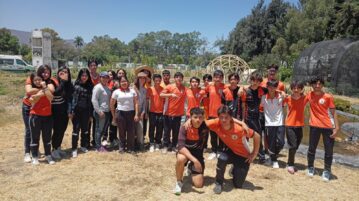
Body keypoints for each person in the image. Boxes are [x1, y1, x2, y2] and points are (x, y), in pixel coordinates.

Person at [206, 105, 260, 194]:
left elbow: (257, 136)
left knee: (238, 185)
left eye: (226, 117)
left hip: (243, 155)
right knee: (222, 158)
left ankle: (234, 169)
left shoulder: (239, 129)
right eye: (221, 117)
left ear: (231, 117)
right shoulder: (216, 123)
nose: (223, 120)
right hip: (230, 152)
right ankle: (218, 183)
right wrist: (188, 121)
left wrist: (254, 154)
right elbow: (200, 123)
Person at [306, 76, 339, 181]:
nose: (317, 86)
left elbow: (333, 113)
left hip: (328, 126)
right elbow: (297, 97)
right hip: (314, 126)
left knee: (328, 151)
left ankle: (327, 170)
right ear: (312, 85)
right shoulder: (309, 95)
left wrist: (336, 128)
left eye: (320, 84)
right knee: (312, 149)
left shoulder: (328, 97)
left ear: (322, 85)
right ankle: (310, 167)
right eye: (315, 83)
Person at [174, 107, 209, 195]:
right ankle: (179, 182)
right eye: (195, 117)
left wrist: (242, 123)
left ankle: (190, 167)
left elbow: (223, 119)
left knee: (199, 185)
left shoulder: (206, 125)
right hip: (185, 152)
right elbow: (181, 147)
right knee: (180, 159)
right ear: (190, 117)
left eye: (200, 117)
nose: (198, 120)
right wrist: (195, 160)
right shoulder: (184, 127)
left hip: (198, 154)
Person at [28, 70, 56, 165]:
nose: (37, 82)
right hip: (35, 116)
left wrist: (44, 88)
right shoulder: (32, 90)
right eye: (35, 80)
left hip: (48, 116)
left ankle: (48, 155)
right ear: (33, 82)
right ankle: (35, 156)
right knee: (35, 137)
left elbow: (51, 98)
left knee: (47, 138)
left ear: (42, 80)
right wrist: (39, 94)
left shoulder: (46, 88)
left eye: (39, 79)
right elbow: (32, 101)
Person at [240, 72, 268, 163]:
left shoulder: (262, 90)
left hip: (257, 117)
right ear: (250, 80)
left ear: (260, 82)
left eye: (257, 81)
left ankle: (261, 156)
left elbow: (272, 90)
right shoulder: (246, 91)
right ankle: (245, 155)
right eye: (253, 80)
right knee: (245, 137)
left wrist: (282, 92)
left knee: (258, 136)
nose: (255, 82)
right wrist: (243, 119)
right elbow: (243, 106)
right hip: (247, 117)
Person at [204, 70, 230, 160]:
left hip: (222, 115)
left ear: (222, 78)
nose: (217, 79)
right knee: (213, 134)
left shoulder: (226, 87)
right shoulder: (209, 87)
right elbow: (203, 91)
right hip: (211, 114)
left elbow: (236, 88)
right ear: (213, 78)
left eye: (219, 77)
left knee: (222, 134)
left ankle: (221, 151)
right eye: (216, 77)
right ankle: (214, 151)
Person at [284, 80, 308, 174]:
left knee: (297, 144)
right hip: (290, 124)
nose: (296, 90)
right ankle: (290, 164)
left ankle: (290, 161)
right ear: (291, 89)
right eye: (294, 88)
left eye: (298, 88)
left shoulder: (305, 98)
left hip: (300, 125)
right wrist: (282, 93)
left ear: (302, 89)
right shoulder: (288, 98)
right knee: (293, 145)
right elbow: (278, 95)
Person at [110, 76, 139, 153]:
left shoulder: (132, 91)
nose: (124, 83)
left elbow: (136, 103)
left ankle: (130, 148)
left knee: (131, 132)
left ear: (128, 82)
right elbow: (112, 104)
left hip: (131, 113)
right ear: (119, 83)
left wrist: (136, 114)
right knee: (121, 131)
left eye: (125, 81)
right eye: (122, 82)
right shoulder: (116, 92)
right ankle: (121, 147)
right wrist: (113, 116)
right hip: (120, 113)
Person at [160, 72, 187, 153]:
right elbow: (161, 94)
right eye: (177, 77)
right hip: (168, 114)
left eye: (180, 77)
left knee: (176, 132)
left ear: (182, 79)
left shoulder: (184, 88)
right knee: (166, 131)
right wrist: (171, 94)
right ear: (174, 78)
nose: (178, 78)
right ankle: (165, 146)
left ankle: (174, 145)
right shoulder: (170, 86)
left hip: (178, 115)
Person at [261, 79, 285, 169]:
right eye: (270, 87)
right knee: (271, 143)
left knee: (281, 142)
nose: (272, 89)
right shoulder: (263, 98)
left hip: (280, 123)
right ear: (267, 87)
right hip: (269, 124)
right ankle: (274, 160)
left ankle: (272, 155)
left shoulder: (280, 97)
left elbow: (291, 95)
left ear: (276, 87)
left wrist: (281, 91)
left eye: (274, 86)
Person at [51, 66, 73, 160]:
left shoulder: (69, 84)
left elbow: (70, 98)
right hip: (55, 111)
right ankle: (54, 149)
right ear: (59, 73)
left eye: (66, 72)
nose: (64, 73)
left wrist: (69, 110)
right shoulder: (54, 82)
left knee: (62, 130)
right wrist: (63, 81)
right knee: (57, 130)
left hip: (64, 111)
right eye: (62, 72)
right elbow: (56, 93)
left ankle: (58, 147)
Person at [70, 68, 93, 157]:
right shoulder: (75, 86)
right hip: (76, 111)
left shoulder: (90, 86)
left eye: (86, 76)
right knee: (76, 130)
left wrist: (91, 114)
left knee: (85, 130)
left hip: (86, 111)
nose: (84, 77)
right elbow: (72, 100)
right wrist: (71, 111)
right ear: (80, 76)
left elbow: (91, 102)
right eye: (82, 75)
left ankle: (83, 145)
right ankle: (74, 149)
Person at [91, 72, 112, 152]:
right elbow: (94, 100)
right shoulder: (98, 87)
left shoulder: (106, 87)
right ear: (100, 78)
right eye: (103, 77)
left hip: (107, 111)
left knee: (103, 129)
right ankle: (98, 146)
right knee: (99, 129)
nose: (105, 79)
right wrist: (99, 111)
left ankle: (99, 145)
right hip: (101, 111)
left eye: (106, 77)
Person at [147, 74, 165, 152]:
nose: (157, 82)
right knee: (151, 128)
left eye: (159, 80)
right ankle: (151, 143)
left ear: (161, 81)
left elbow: (165, 101)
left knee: (160, 128)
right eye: (156, 80)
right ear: (153, 81)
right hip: (152, 112)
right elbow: (147, 101)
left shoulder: (163, 89)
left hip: (161, 112)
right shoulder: (150, 89)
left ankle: (157, 143)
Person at [133, 72, 149, 151]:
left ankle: (140, 144)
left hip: (141, 111)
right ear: (137, 79)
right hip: (132, 111)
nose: (142, 79)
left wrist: (144, 112)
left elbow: (145, 102)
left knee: (140, 129)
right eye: (140, 78)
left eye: (144, 78)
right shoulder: (133, 88)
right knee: (132, 129)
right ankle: (132, 144)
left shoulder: (145, 89)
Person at [88, 60, 99, 148]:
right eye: (92, 65)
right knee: (88, 121)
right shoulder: (87, 76)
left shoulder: (100, 77)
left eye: (95, 65)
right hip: (88, 102)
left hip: (97, 102)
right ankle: (86, 141)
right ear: (89, 67)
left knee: (96, 122)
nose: (93, 67)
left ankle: (95, 140)